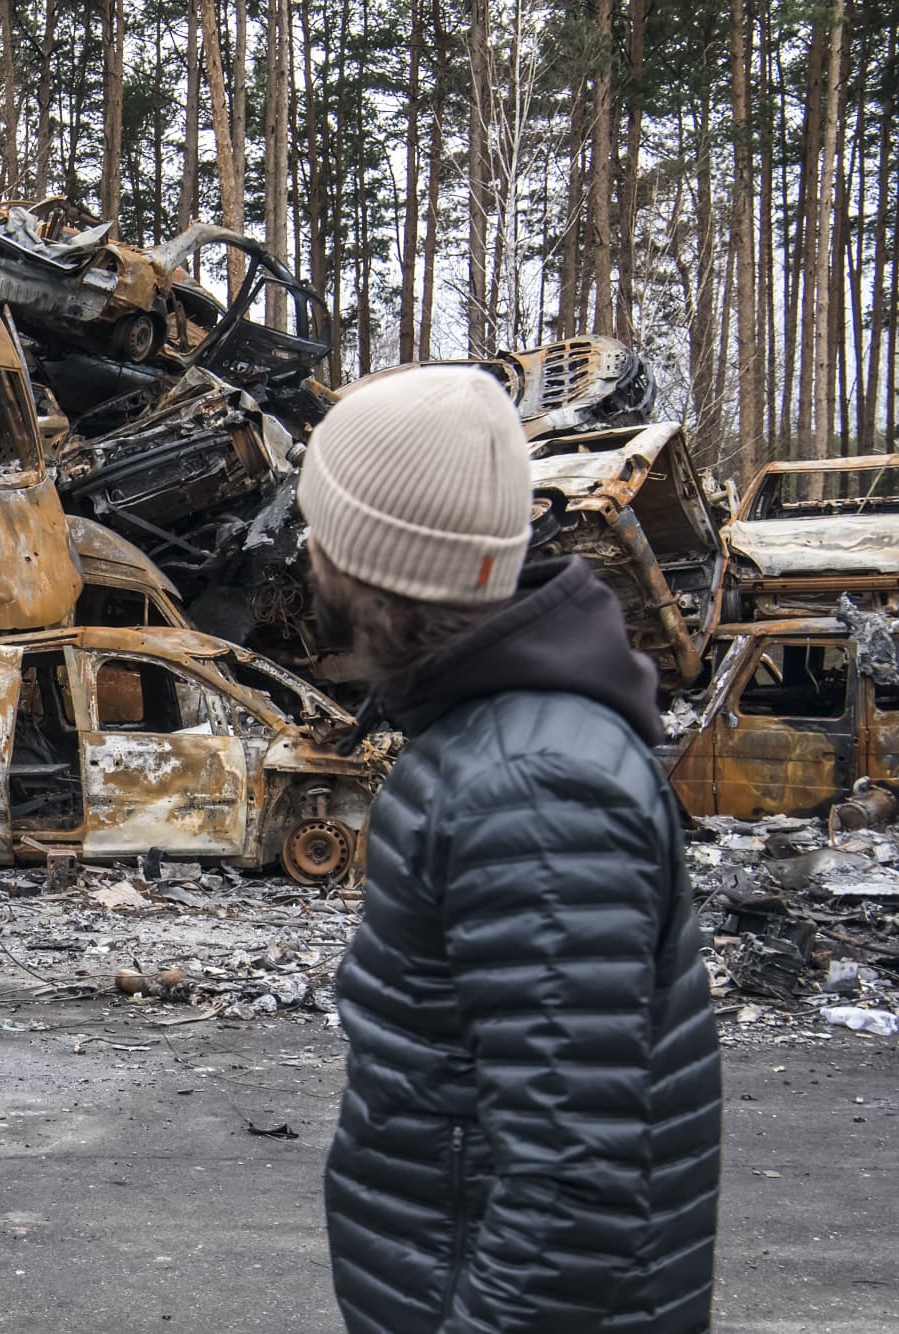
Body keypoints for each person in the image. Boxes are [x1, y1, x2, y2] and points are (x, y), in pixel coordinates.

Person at [299, 367, 722, 1333]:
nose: (308, 548)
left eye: (321, 526)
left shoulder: (528, 787)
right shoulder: (500, 745)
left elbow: (572, 1189)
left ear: (365, 561)